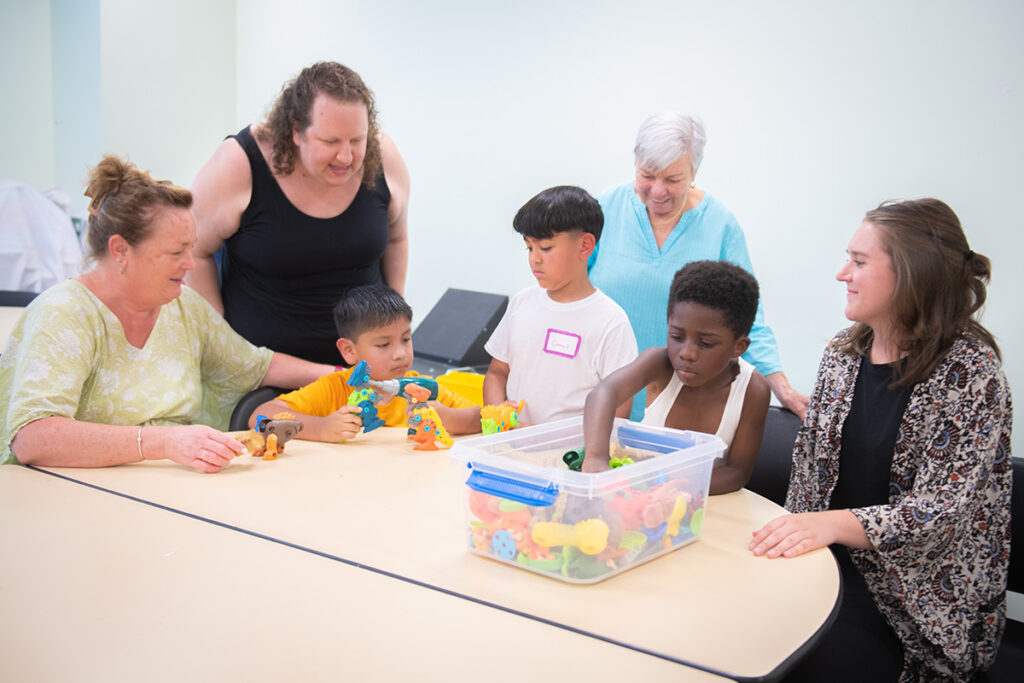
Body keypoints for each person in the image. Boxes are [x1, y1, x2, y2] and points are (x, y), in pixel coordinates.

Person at [749, 199, 1013, 682]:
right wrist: (779, 554)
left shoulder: (971, 372)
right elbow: (808, 483)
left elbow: (941, 511)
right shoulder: (842, 354)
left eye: (859, 261)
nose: (841, 273)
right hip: (823, 570)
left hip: (910, 600)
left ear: (911, 275)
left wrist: (831, 525)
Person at [0, 156, 335, 473]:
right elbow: (33, 437)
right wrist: (161, 443)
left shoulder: (183, 306)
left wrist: (344, 375)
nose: (190, 263)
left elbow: (255, 365)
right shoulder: (65, 314)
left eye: (191, 248)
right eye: (176, 252)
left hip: (169, 495)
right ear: (120, 251)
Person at [588, 110, 808, 419]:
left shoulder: (720, 225)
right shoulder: (604, 209)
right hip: (598, 396)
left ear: (694, 173)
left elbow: (746, 319)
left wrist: (782, 389)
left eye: (673, 179)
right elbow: (567, 292)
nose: (658, 190)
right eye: (647, 175)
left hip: (678, 405)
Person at [188, 61, 410, 365]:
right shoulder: (238, 165)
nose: (345, 156)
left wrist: (394, 323)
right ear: (296, 131)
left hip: (362, 369)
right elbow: (194, 252)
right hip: (267, 368)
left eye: (357, 140)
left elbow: (396, 238)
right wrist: (220, 339)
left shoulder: (383, 155)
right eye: (330, 141)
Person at [581, 261, 771, 493]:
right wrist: (596, 458)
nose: (687, 353)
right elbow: (604, 393)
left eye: (706, 343)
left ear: (739, 346)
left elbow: (736, 473)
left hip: (700, 513)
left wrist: (667, 485)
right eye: (677, 337)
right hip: (632, 500)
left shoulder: (753, 390)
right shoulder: (659, 364)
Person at [483, 185, 638, 425]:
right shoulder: (522, 303)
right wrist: (499, 415)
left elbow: (618, 412)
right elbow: (497, 373)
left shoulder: (611, 322)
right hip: (511, 449)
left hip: (568, 459)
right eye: (529, 247)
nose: (534, 258)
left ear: (585, 246)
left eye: (545, 247)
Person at [252, 284, 481, 442]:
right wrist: (321, 428)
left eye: (406, 339)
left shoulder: (423, 388)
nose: (400, 353)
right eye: (384, 345)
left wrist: (450, 418)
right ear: (348, 350)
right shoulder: (335, 389)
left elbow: (485, 417)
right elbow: (260, 416)